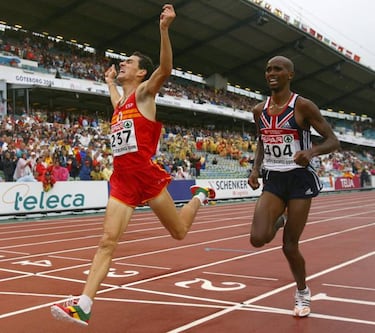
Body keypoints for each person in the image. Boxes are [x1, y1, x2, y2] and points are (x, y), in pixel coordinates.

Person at [50, 4, 215, 326]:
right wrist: (109, 82)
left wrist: (165, 30)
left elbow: (165, 70)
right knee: (107, 241)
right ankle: (83, 304)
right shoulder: (122, 102)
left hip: (146, 177)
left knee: (179, 232)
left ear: (141, 72)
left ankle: (201, 194)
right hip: (123, 181)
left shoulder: (143, 94)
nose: (122, 63)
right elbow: (115, 103)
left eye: (128, 62)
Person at [248, 56, 340, 318]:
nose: (271, 73)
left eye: (278, 69)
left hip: (299, 179)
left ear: (290, 74)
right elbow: (262, 141)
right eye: (267, 69)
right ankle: (279, 220)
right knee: (257, 238)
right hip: (274, 178)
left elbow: (333, 141)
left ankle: (302, 291)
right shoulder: (258, 110)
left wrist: (311, 152)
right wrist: (255, 168)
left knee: (289, 245)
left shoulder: (303, 106)